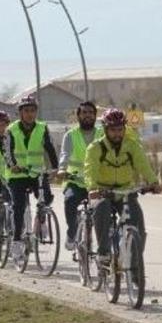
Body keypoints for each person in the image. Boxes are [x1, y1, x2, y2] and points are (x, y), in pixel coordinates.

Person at [84, 108, 161, 265]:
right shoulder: (95, 148)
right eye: (113, 130)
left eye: (120, 129)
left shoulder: (131, 146)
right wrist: (93, 188)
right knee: (102, 209)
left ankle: (134, 266)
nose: (117, 134)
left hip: (125, 191)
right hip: (102, 191)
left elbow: (143, 165)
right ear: (106, 130)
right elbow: (89, 170)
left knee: (138, 225)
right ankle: (104, 252)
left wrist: (153, 182)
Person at [4, 95, 59, 263]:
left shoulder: (42, 128)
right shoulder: (11, 129)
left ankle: (40, 222)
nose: (30, 114)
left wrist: (56, 168)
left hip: (36, 173)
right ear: (20, 112)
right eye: (26, 111)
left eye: (33, 111)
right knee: (19, 207)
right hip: (17, 174)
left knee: (46, 198)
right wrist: (12, 165)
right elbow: (7, 151)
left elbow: (50, 148)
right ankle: (16, 242)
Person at [56, 101, 102, 252]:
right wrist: (62, 169)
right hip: (75, 181)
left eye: (90, 113)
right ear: (78, 116)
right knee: (70, 201)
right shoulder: (71, 135)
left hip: (96, 181)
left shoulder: (102, 133)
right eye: (84, 113)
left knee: (102, 209)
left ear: (95, 116)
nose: (87, 115)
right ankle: (71, 233)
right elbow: (65, 154)